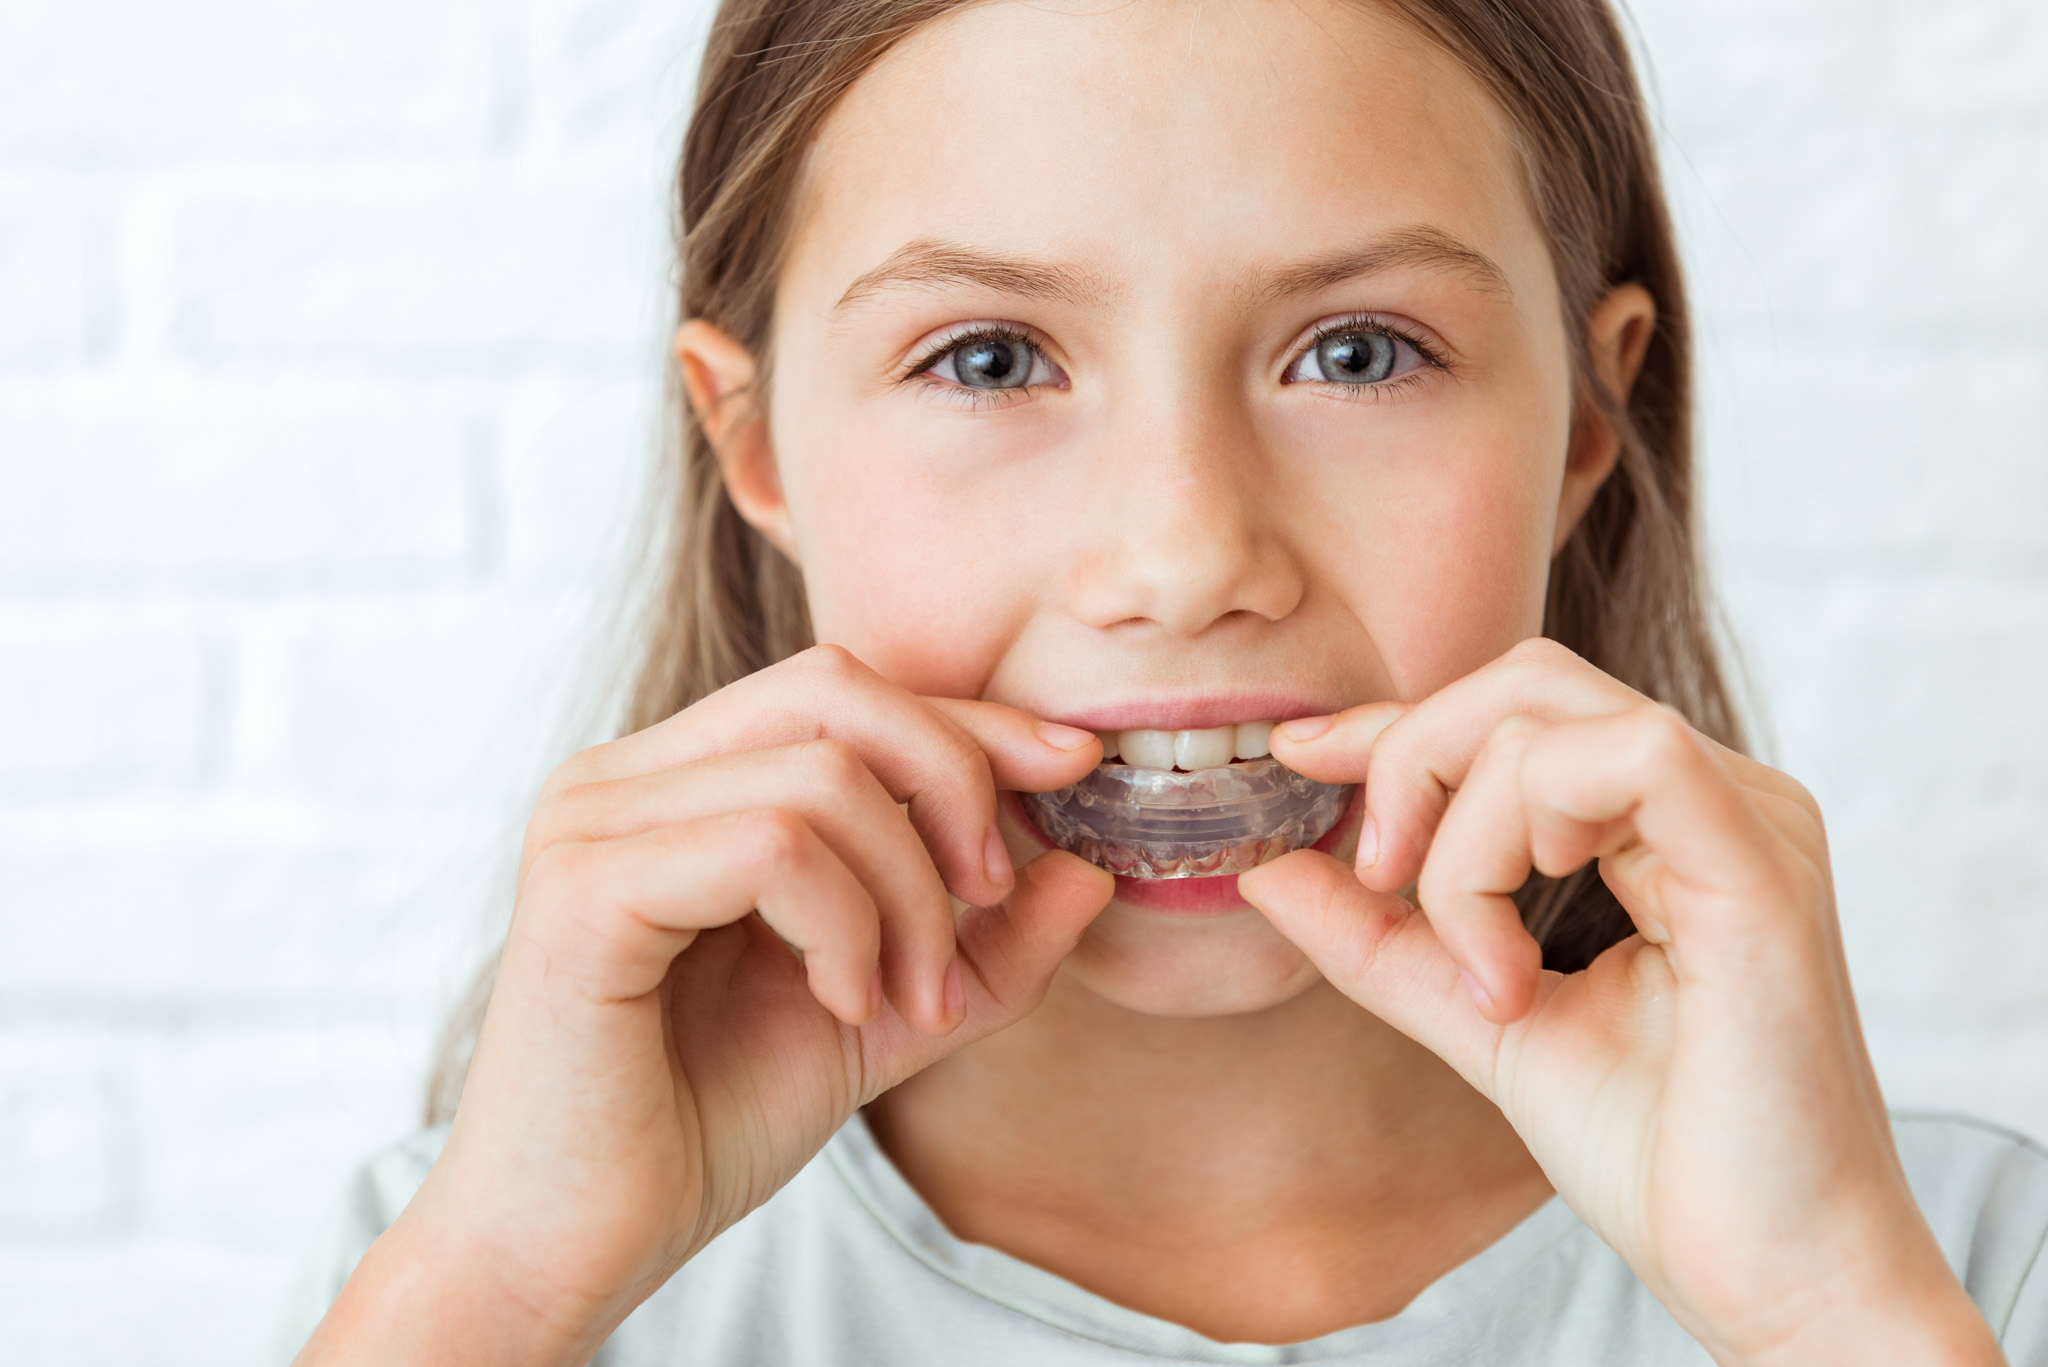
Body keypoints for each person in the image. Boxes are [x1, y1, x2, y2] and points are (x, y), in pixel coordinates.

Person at [288, 1, 2048, 1362]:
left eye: (1357, 354)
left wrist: (1834, 1323)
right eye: (990, 357)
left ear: (1589, 419)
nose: (1186, 552)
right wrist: (496, 1299)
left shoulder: (1955, 1274)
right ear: (752, 446)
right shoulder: (487, 1269)